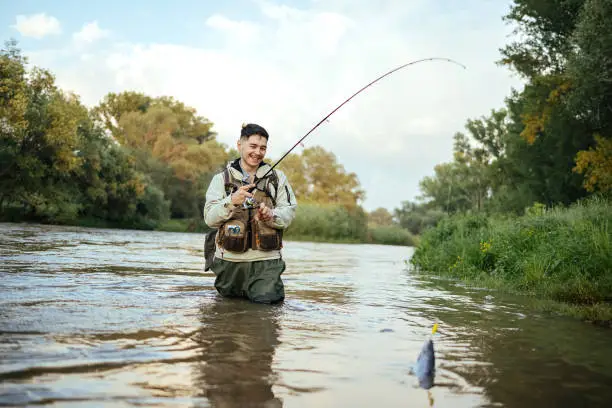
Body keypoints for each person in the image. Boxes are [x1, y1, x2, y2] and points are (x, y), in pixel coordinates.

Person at [203, 123, 297, 304]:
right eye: (253, 146)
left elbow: (289, 211)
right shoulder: (220, 179)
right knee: (226, 314)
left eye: (263, 148)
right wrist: (231, 201)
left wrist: (271, 216)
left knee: (266, 313)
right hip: (228, 263)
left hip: (266, 262)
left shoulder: (278, 178)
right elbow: (210, 219)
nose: (258, 152)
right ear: (240, 145)